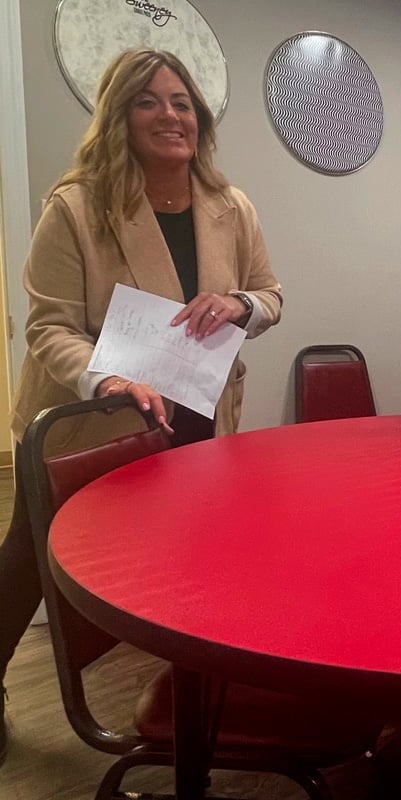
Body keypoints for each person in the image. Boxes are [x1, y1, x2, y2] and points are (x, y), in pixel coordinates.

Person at [0, 48, 282, 761]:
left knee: (186, 551)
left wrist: (241, 304)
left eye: (182, 101)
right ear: (119, 116)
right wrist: (106, 379)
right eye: (149, 101)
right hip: (96, 416)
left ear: (201, 118)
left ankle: (187, 676)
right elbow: (48, 327)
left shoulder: (232, 205)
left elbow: (272, 295)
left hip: (197, 413)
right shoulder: (78, 206)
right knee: (28, 557)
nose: (170, 115)